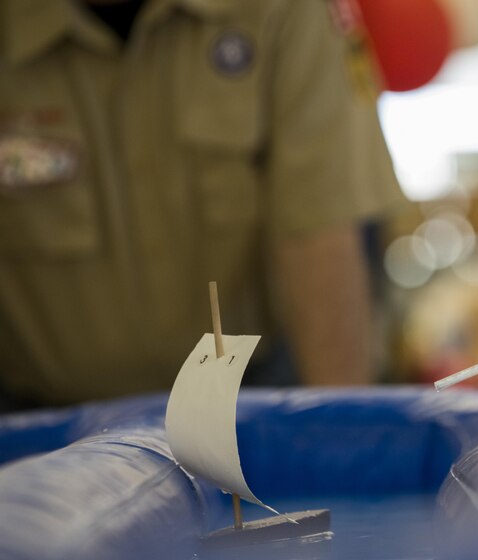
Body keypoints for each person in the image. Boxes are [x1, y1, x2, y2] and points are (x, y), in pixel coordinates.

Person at [0, 0, 404, 410]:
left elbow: (320, 234)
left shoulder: (286, 9)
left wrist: (337, 435)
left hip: (250, 412)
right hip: (39, 430)